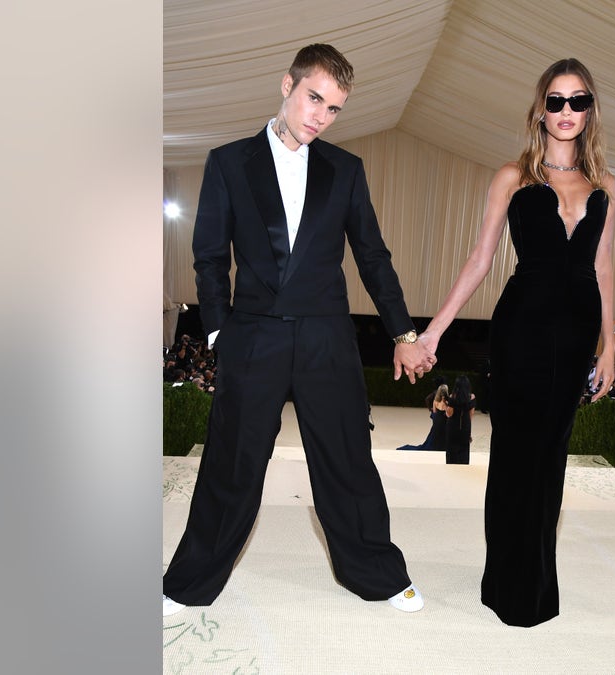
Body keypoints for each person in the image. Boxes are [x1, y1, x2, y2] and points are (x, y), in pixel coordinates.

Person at [162, 44, 437, 618]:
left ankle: (377, 574)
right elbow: (209, 257)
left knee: (346, 459)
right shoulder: (229, 163)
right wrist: (218, 334)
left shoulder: (345, 169)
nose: (320, 116)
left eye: (334, 108)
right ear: (287, 85)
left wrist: (403, 332)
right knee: (231, 462)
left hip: (325, 337)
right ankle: (189, 583)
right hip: (253, 335)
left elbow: (373, 256)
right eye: (314, 98)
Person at [418, 58, 615, 626]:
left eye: (578, 101)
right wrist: (435, 329)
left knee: (551, 456)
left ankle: (535, 582)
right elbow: (480, 259)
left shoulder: (606, 186)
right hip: (521, 330)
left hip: (577, 333)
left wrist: (611, 344)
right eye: (555, 101)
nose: (566, 112)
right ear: (539, 109)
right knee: (514, 456)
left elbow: (604, 268)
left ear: (590, 110)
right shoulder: (513, 176)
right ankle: (505, 583)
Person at [397, 383, 449, 451]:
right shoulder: (447, 402)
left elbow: (434, 413)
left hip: (437, 422)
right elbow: (448, 414)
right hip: (443, 422)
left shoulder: (435, 401)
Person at [444, 375, 475, 465]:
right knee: (464, 452)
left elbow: (449, 414)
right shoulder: (472, 397)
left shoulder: (452, 397)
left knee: (451, 452)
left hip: (452, 427)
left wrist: (446, 406)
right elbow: (471, 415)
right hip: (465, 426)